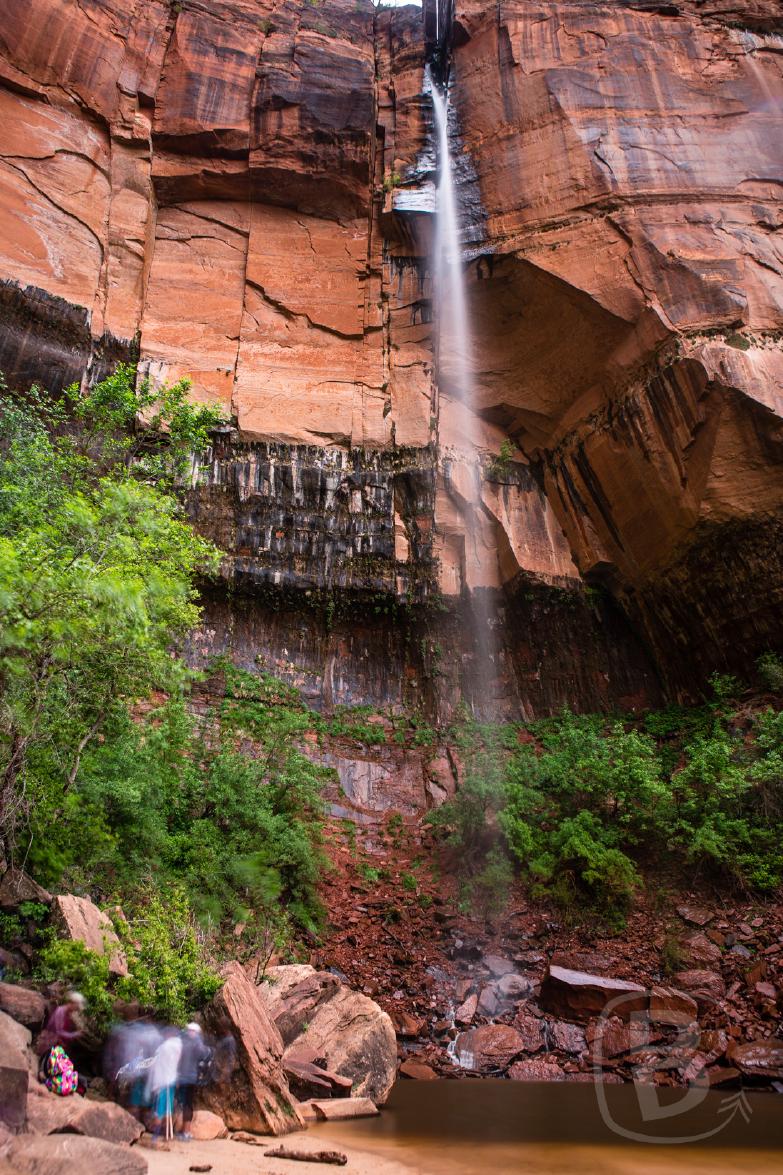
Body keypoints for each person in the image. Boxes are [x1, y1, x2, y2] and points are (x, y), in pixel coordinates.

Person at [36, 991, 86, 1090]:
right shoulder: (61, 1011)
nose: (76, 1009)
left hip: (58, 1048)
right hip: (50, 1045)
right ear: (72, 1003)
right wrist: (76, 1034)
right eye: (76, 1006)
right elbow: (59, 1032)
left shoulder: (68, 1013)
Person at [176, 1022, 212, 1140]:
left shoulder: (182, 1041)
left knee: (177, 1102)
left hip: (180, 1077)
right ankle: (185, 1132)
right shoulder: (197, 1042)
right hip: (190, 1078)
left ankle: (171, 1129)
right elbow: (204, 1054)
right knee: (187, 1104)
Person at [148, 1028, 182, 1142]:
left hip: (162, 1081)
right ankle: (168, 1134)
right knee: (168, 1108)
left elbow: (156, 1065)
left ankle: (156, 1135)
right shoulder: (179, 1046)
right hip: (172, 1080)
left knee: (160, 1109)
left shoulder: (163, 1048)